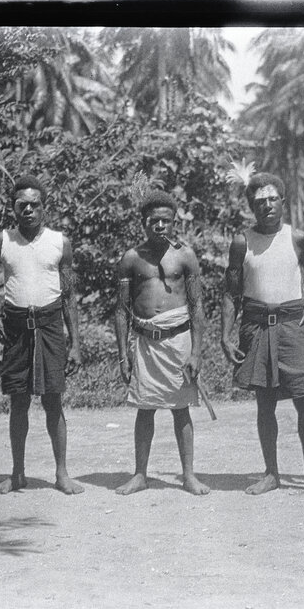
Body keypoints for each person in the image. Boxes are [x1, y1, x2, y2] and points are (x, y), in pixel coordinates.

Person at [0, 174, 84, 495]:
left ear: (44, 208)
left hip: (49, 326)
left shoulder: (60, 242)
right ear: (13, 209)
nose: (28, 210)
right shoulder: (2, 241)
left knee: (53, 401)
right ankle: (18, 474)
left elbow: (69, 296)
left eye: (34, 204)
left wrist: (76, 344)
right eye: (22, 205)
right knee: (18, 402)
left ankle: (61, 473)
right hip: (16, 328)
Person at [220, 172, 304, 496]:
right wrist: (225, 336)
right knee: (264, 403)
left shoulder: (296, 237)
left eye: (272, 199)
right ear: (251, 207)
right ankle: (271, 473)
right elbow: (230, 292)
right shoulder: (242, 242)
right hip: (255, 325)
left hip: (290, 324)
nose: (267, 206)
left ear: (282, 202)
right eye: (260, 202)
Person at [113, 190, 210, 496]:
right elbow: (121, 309)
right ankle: (140, 474)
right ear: (143, 222)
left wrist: (196, 352)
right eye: (153, 221)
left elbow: (196, 306)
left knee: (181, 410)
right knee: (145, 409)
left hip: (178, 340)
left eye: (165, 221)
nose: (159, 226)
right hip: (145, 342)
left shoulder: (185, 256)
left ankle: (189, 475)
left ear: (174, 222)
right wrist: (122, 356)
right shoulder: (131, 258)